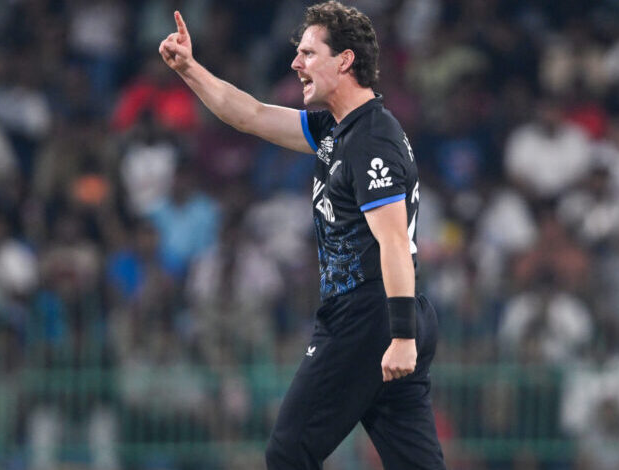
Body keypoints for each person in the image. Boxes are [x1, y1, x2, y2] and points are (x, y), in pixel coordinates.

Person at [159, 2, 446, 469]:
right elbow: (251, 114)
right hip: (384, 314)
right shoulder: (339, 129)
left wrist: (401, 336)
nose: (296, 63)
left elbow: (394, 241)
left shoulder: (371, 139)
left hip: (369, 315)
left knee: (289, 452)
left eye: (309, 53)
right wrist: (190, 69)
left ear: (345, 60)